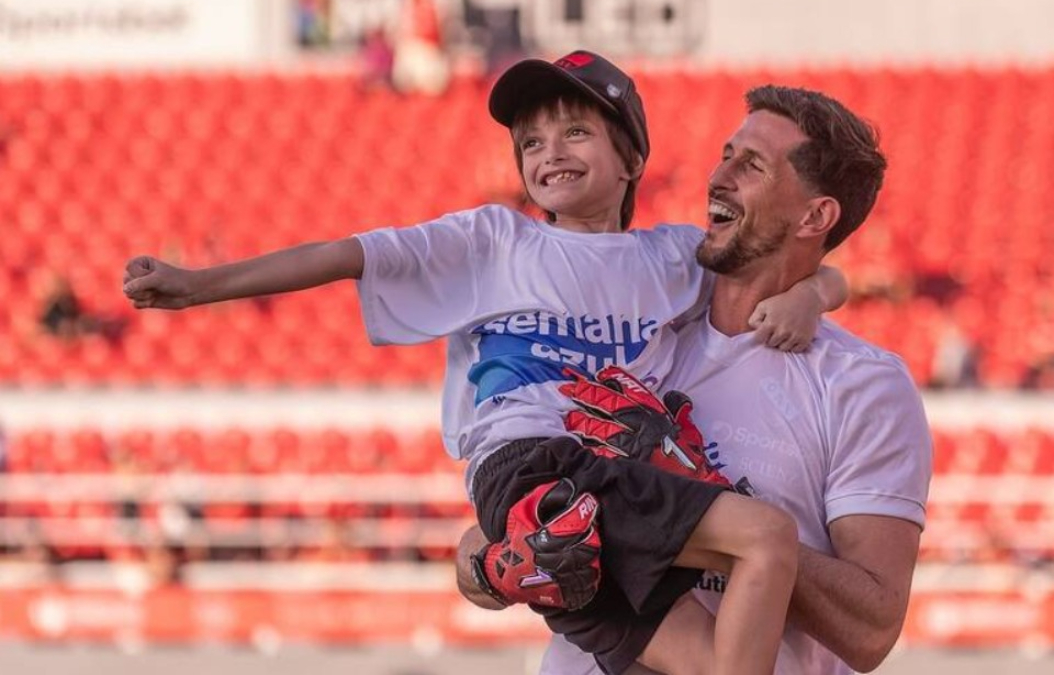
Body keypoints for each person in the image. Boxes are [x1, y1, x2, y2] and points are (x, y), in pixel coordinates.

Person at [122, 51, 848, 675]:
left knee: (714, 660)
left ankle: (524, 560)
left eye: (574, 131)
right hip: (530, 463)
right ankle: (528, 544)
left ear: (631, 157)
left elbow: (786, 264)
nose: (549, 151)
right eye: (530, 143)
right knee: (767, 536)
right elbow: (346, 254)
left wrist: (813, 294)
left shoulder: (668, 257)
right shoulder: (492, 241)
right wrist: (201, 285)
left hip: (610, 480)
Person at [457, 85, 932, 674]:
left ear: (816, 215)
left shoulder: (865, 386)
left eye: (751, 164)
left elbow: (871, 630)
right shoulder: (635, 331)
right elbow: (494, 525)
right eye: (726, 153)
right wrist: (488, 566)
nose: (718, 175)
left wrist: (697, 492)